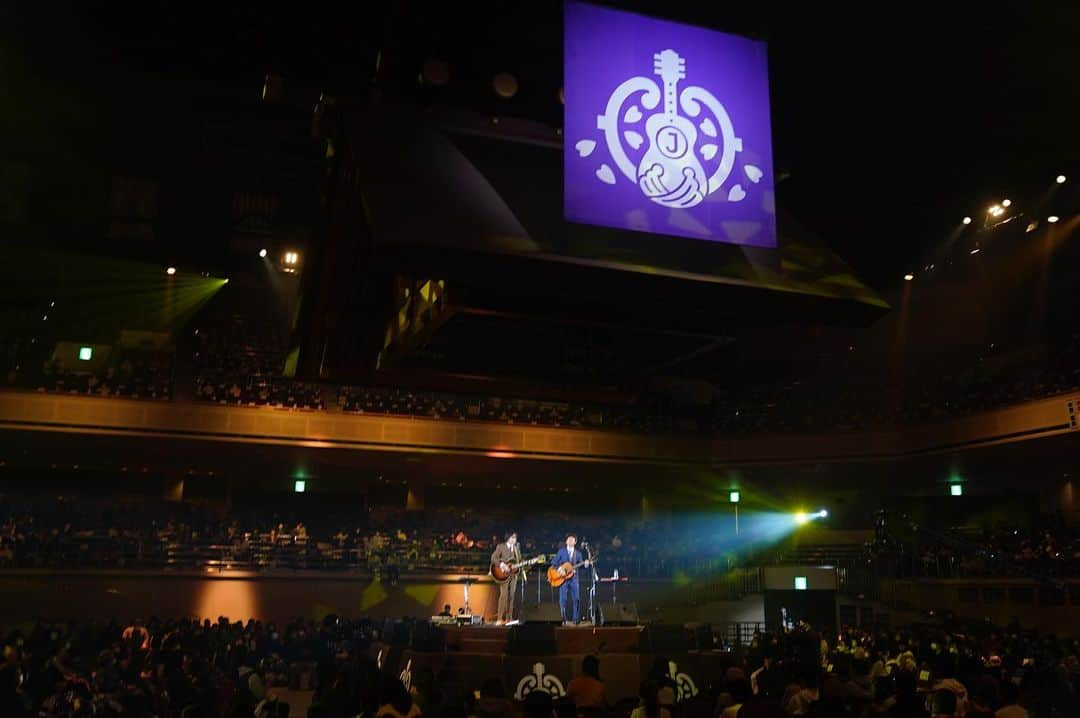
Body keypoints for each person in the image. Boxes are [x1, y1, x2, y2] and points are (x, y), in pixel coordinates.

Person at [551, 533, 589, 624]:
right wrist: (560, 569)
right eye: (569, 539)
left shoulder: (578, 554)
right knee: (563, 599)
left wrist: (586, 565)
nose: (570, 540)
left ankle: (576, 619)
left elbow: (581, 566)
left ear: (575, 542)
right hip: (562, 579)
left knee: (576, 599)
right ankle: (562, 619)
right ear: (566, 541)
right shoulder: (561, 551)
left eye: (572, 539)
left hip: (574, 579)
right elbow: (553, 562)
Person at [491, 532, 522, 625]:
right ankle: (499, 618)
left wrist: (522, 564)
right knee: (503, 596)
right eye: (512, 537)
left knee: (512, 596)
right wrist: (502, 565)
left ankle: (509, 619)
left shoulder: (516, 548)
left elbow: (519, 561)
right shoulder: (501, 546)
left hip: (513, 575)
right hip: (503, 574)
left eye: (515, 538)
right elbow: (494, 558)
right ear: (508, 538)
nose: (514, 539)